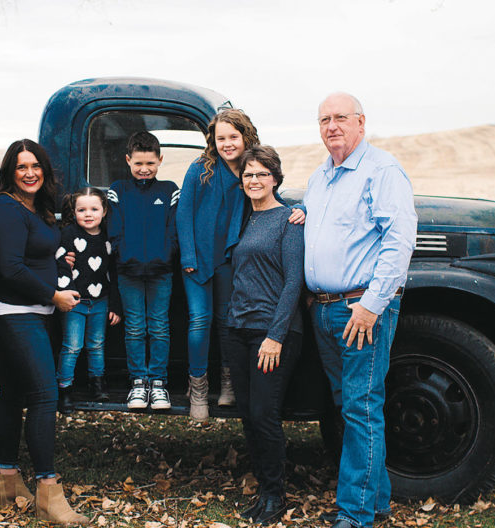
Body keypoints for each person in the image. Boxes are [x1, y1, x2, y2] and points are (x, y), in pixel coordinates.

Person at [301, 93, 417, 528]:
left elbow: (398, 241)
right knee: (349, 405)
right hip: (325, 310)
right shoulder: (320, 177)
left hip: (359, 311)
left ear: (361, 123)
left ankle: (354, 515)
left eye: (340, 118)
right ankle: (377, 500)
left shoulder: (381, 170)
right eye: (324, 119)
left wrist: (370, 306)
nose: (332, 126)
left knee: (360, 407)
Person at [0, 139, 89, 525]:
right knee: (45, 395)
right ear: (10, 172)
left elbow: (33, 251)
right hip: (14, 313)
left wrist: (57, 257)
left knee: (14, 393)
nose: (29, 173)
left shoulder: (36, 206)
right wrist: (52, 294)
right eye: (21, 167)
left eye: (35, 166)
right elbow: (10, 267)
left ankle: (8, 480)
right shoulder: (7, 207)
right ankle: (49, 491)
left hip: (35, 310)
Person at [177, 109, 300, 421]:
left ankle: (229, 383)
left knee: (227, 321)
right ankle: (199, 387)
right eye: (221, 138)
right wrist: (188, 255)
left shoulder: (250, 169)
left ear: (246, 138)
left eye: (234, 137)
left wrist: (303, 210)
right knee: (199, 321)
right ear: (212, 140)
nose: (227, 143)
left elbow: (274, 202)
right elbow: (184, 212)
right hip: (197, 259)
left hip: (231, 257)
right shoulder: (200, 168)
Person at [225, 145, 305, 525]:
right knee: (248, 415)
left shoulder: (289, 219)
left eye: (261, 174)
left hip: (272, 332)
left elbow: (294, 282)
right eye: (248, 175)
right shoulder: (245, 219)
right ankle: (263, 490)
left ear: (275, 178)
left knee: (264, 412)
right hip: (238, 329)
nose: (254, 181)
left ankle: (276, 495)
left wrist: (276, 336)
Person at [107, 131, 179, 410]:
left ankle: (158, 384)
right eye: (138, 163)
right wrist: (125, 256)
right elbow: (115, 230)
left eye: (150, 163)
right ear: (128, 160)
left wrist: (166, 254)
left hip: (162, 272)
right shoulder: (118, 190)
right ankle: (139, 383)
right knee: (135, 328)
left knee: (159, 327)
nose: (144, 169)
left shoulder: (169, 190)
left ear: (160, 160)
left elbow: (173, 231)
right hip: (128, 273)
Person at [55, 186, 122, 412]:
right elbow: (61, 266)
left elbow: (112, 274)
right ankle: (64, 389)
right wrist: (69, 293)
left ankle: (98, 383)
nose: (88, 214)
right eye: (82, 210)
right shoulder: (69, 234)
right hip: (75, 301)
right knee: (72, 345)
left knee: (96, 344)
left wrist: (114, 305)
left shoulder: (107, 238)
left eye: (94, 209)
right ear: (73, 212)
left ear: (104, 211)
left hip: (100, 301)